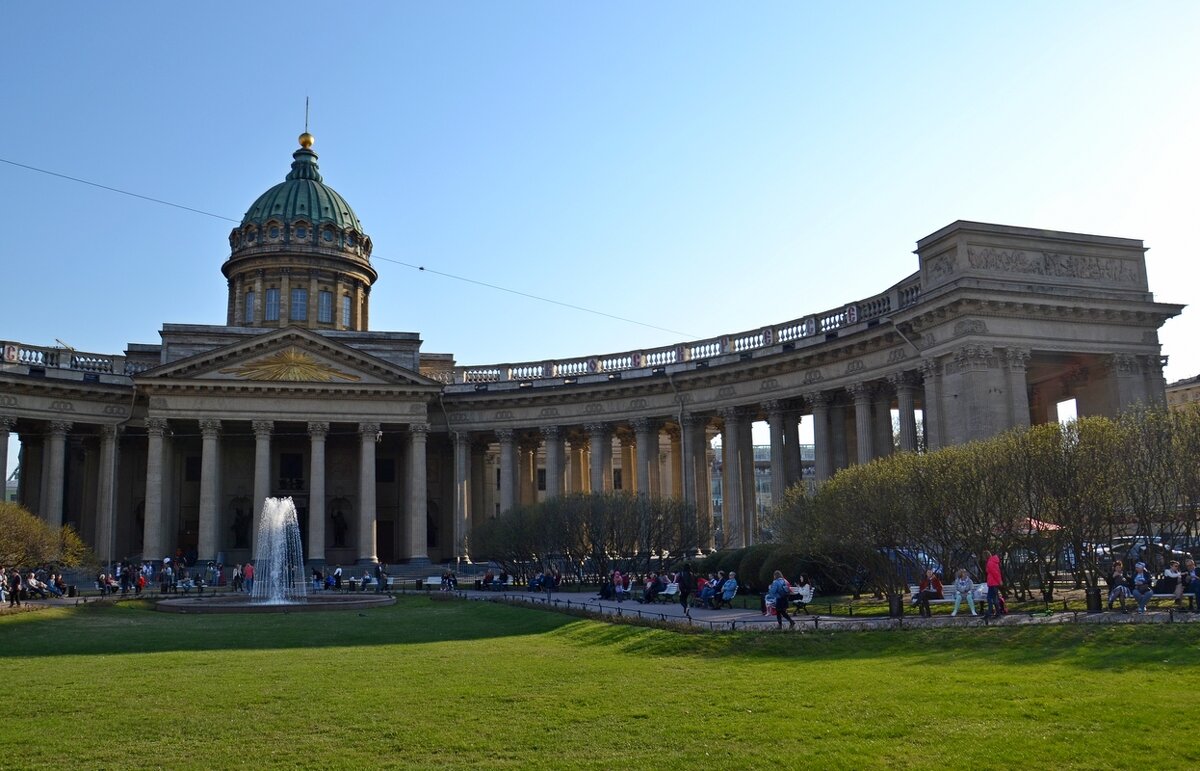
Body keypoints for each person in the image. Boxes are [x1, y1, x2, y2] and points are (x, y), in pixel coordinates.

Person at [983, 551, 1002, 619]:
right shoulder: (993, 562)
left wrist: (999, 580)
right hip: (994, 583)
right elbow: (997, 572)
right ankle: (997, 613)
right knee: (994, 598)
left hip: (992, 583)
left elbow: (994, 573)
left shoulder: (990, 563)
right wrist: (999, 581)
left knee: (990, 598)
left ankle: (990, 613)